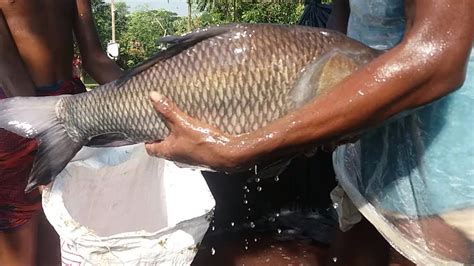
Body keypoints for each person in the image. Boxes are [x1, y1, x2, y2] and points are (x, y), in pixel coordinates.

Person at [145, 0, 473, 263]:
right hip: (366, 147)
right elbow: (341, 21)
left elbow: (438, 56)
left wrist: (244, 147)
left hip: (444, 160)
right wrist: (314, 114)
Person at [0, 1, 123, 265]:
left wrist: (150, 98)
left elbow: (95, 58)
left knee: (63, 230)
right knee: (21, 240)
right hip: (19, 117)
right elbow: (5, 65)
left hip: (72, 113)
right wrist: (44, 139)